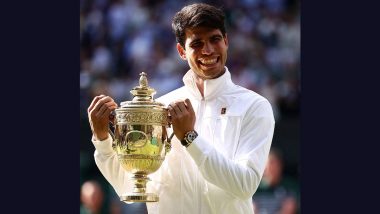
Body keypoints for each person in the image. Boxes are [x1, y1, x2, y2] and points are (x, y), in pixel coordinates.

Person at [87, 3, 275, 214]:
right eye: (196, 43)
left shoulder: (254, 106)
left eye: (215, 39)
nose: (208, 50)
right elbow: (129, 186)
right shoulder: (159, 109)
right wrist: (102, 139)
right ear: (181, 51)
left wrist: (190, 138)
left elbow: (245, 185)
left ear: (226, 41)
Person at [252, 148, 299, 214]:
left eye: (274, 163)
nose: (271, 168)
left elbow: (289, 209)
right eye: (269, 164)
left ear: (280, 165)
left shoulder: (291, 186)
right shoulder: (253, 188)